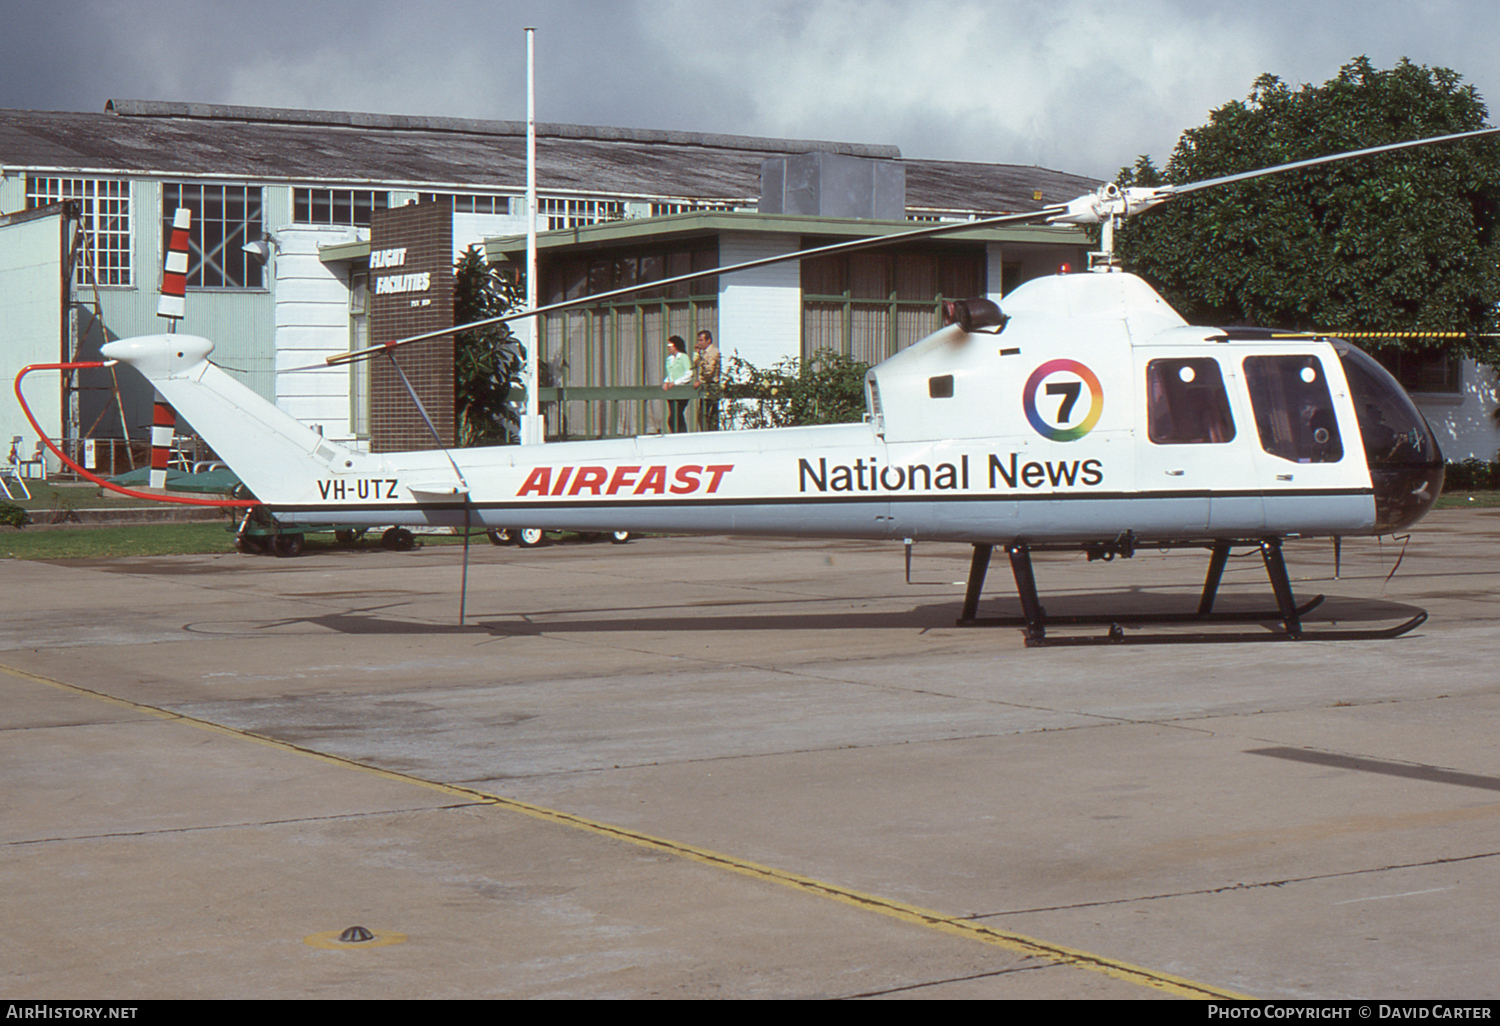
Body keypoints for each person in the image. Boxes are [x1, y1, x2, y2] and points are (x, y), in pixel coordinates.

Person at [662, 335, 692, 433]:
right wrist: (666, 381)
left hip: (681, 391)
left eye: (670, 345)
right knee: (675, 415)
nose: (668, 347)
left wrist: (676, 383)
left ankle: (681, 434)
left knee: (676, 415)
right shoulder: (669, 359)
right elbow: (670, 373)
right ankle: (678, 434)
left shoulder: (683, 357)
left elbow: (689, 374)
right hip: (672, 392)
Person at [693, 329, 721, 431]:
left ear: (708, 340)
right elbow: (696, 364)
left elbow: (710, 370)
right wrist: (697, 353)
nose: (699, 343)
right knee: (702, 414)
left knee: (708, 414)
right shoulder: (703, 353)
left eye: (701, 340)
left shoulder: (713, 352)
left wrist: (702, 380)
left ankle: (710, 432)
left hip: (711, 385)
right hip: (705, 386)